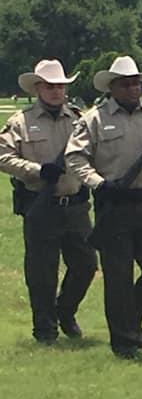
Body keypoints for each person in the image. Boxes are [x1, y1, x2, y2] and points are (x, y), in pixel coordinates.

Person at [65, 55, 142, 359]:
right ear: (112, 88)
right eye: (126, 84)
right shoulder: (93, 119)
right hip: (114, 204)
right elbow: (75, 158)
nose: (133, 88)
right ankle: (124, 340)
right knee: (118, 276)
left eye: (137, 82)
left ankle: (131, 319)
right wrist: (98, 182)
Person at [0, 59, 97, 344]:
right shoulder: (20, 121)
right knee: (42, 272)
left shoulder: (81, 119)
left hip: (76, 205)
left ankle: (65, 311)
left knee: (86, 265)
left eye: (60, 86)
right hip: (39, 206)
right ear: (38, 88)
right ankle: (45, 328)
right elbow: (3, 156)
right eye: (50, 86)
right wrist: (37, 170)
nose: (56, 91)